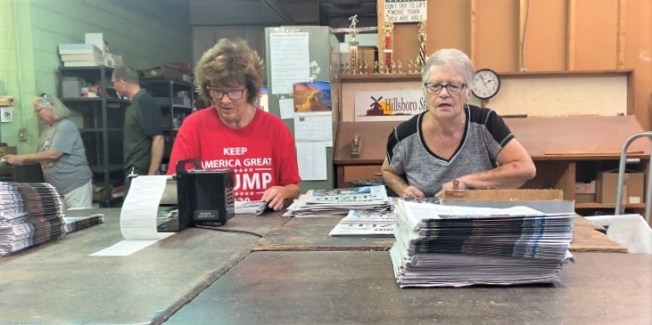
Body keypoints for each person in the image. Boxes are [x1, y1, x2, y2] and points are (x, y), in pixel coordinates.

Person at [167, 38, 301, 211]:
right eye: (217, 91)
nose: (225, 100)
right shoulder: (193, 127)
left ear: (250, 90)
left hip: (264, 227)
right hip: (211, 228)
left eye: (234, 92)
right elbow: (177, 186)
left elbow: (294, 188)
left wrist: (282, 191)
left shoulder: (275, 128)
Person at [382, 49, 536, 198]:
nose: (443, 94)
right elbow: (388, 172)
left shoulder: (486, 123)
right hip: (426, 221)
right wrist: (403, 189)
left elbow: (526, 168)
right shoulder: (403, 135)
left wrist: (466, 182)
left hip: (479, 218)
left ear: (468, 92)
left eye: (454, 86)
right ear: (424, 91)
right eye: (435, 86)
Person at [3, 93, 93, 209]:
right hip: (57, 188)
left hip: (74, 186)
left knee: (81, 221)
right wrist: (15, 160)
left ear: (51, 107)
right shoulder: (47, 131)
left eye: (38, 111)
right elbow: (39, 156)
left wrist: (22, 158)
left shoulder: (66, 126)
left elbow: (54, 154)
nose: (37, 115)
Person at [112, 65, 164, 194]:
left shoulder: (144, 102)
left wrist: (152, 173)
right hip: (134, 170)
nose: (113, 87)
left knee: (135, 213)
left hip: (141, 173)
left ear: (122, 81)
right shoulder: (134, 104)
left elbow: (158, 138)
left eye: (114, 83)